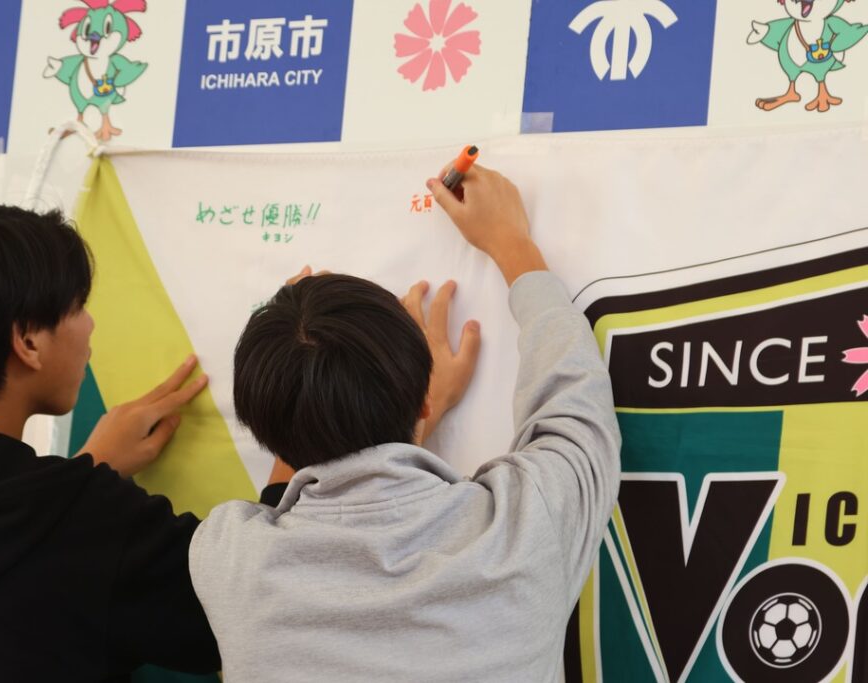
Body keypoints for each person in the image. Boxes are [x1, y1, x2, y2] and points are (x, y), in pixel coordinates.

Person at [188, 165, 623, 681]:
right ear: (425, 403)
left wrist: (298, 361)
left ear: (265, 434)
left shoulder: (226, 560)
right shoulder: (526, 526)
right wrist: (511, 243)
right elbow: (577, 410)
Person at [0, 203, 242, 682]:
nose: (90, 324)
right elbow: (260, 613)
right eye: (77, 306)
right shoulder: (94, 524)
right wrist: (300, 409)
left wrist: (83, 474)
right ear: (29, 341)